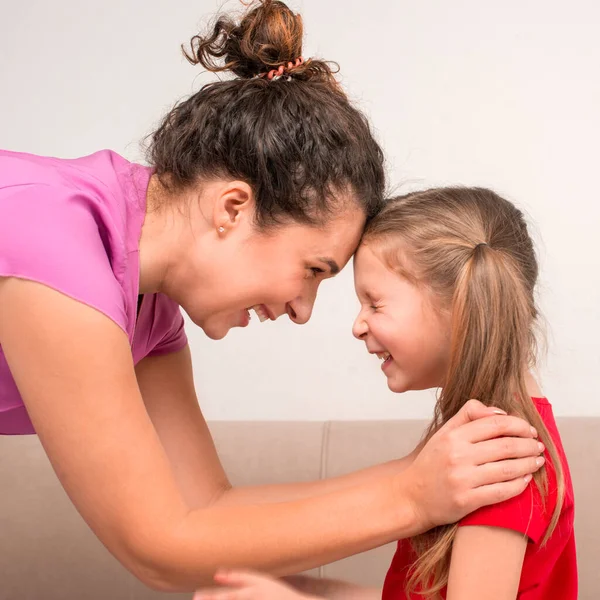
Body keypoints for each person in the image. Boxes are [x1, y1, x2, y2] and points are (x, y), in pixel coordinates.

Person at [0, 0, 543, 591]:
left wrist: (422, 472)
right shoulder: (57, 248)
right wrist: (413, 497)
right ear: (233, 208)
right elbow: (157, 547)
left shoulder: (148, 308)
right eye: (313, 269)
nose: (303, 310)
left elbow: (205, 510)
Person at [198, 187, 576, 600]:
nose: (358, 326)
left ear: (462, 311)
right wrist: (315, 591)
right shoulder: (486, 438)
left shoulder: (499, 460)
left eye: (374, 304)